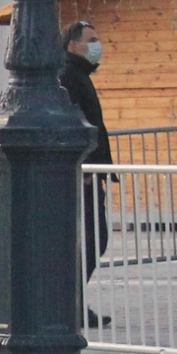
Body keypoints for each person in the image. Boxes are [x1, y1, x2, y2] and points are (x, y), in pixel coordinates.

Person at [60, 20, 112, 326]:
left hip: (90, 170)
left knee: (93, 238)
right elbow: (76, 122)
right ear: (73, 45)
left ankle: (72, 301)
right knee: (92, 238)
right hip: (82, 173)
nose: (97, 44)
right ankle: (70, 302)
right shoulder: (68, 76)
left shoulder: (78, 74)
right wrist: (85, 163)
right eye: (91, 39)